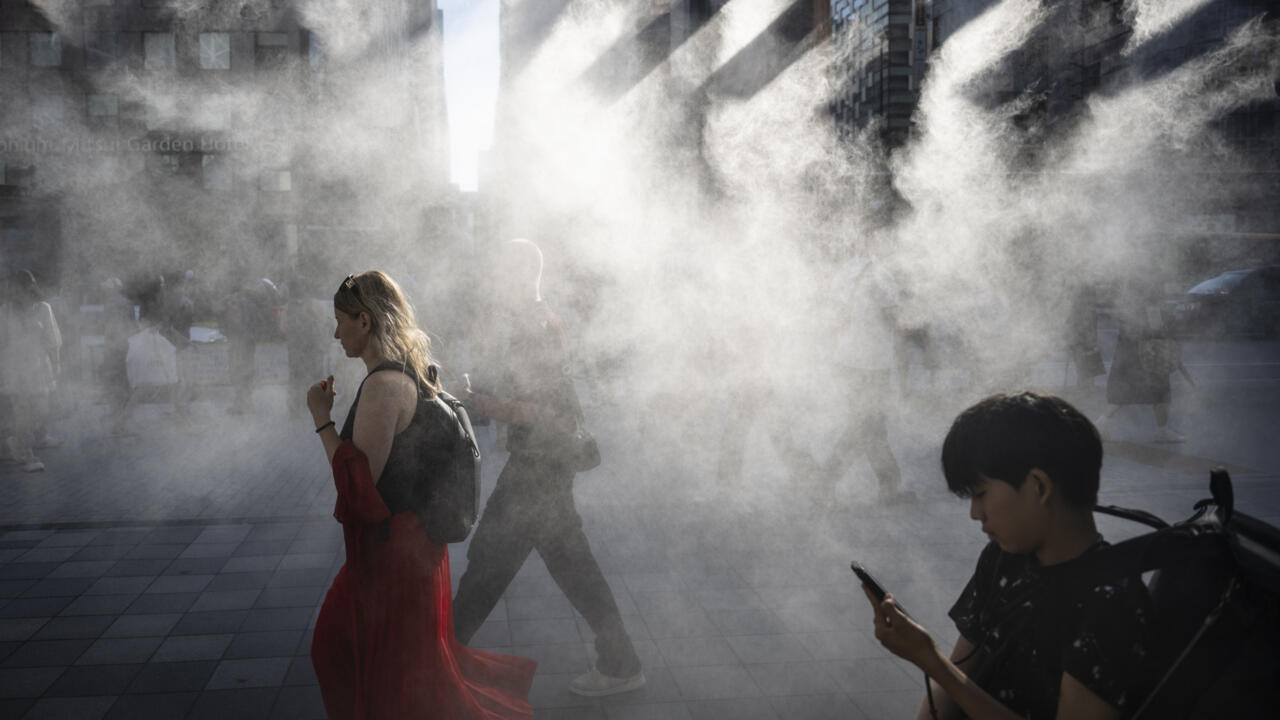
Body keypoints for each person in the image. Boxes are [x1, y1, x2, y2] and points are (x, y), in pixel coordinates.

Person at [307, 270, 536, 720]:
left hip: (391, 559)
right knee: (407, 674)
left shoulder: (383, 386)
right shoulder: (411, 371)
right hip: (414, 551)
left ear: (365, 322)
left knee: (336, 652)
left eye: (340, 320)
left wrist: (321, 420)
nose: (336, 333)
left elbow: (358, 485)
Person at [861, 392, 1153, 720]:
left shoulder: (1111, 602)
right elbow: (959, 677)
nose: (975, 513)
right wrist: (938, 670)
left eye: (981, 494)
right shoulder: (1003, 560)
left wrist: (934, 665)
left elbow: (951, 676)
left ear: (1039, 487)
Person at [452, 239, 645, 697]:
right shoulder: (541, 319)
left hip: (538, 468)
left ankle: (435, 660)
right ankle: (621, 664)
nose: (493, 283)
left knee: (489, 565)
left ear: (517, 276)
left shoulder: (533, 327)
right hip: (545, 466)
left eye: (499, 273)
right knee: (567, 567)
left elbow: (540, 410)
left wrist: (475, 401)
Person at [820, 245, 915, 505]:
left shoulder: (844, 273)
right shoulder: (882, 276)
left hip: (847, 360)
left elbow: (832, 320)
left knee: (872, 427)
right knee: (865, 427)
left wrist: (832, 357)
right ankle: (824, 480)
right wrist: (904, 366)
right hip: (872, 365)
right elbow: (895, 325)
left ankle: (888, 487)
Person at [1098, 279, 1183, 443]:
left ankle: (1102, 423)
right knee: (1161, 391)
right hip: (1149, 354)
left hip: (1128, 351)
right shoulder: (1150, 301)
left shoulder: (1127, 301)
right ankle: (1162, 431)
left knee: (1124, 392)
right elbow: (1156, 327)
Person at [2, 270, 62, 472]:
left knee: (40, 410)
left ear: (31, 286)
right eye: (14, 288)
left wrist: (56, 365)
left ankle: (14, 443)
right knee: (22, 413)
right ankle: (26, 454)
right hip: (14, 367)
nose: (17, 291)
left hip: (38, 367)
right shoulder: (5, 311)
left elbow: (53, 340)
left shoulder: (44, 308)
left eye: (22, 286)